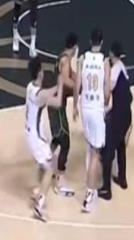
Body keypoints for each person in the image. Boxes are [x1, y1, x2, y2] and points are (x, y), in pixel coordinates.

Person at [74, 28, 110, 213]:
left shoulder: (82, 59)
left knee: (89, 146)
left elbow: (77, 84)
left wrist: (74, 106)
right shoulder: (105, 61)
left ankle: (91, 185)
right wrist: (106, 103)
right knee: (96, 152)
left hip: (84, 106)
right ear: (101, 42)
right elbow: (107, 89)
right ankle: (89, 194)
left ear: (90, 41)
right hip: (96, 109)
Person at [25, 56, 64, 222]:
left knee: (42, 164)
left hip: (30, 133)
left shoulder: (30, 87)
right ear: (40, 72)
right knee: (50, 167)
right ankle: (39, 204)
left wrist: (56, 86)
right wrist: (61, 84)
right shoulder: (40, 95)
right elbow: (57, 102)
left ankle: (37, 190)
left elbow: (46, 93)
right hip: (36, 137)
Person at [99, 41, 133, 201]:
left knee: (107, 152)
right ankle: (122, 178)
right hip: (127, 114)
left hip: (119, 115)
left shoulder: (115, 70)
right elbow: (129, 96)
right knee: (121, 146)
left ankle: (106, 189)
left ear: (112, 53)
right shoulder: (123, 68)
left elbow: (108, 89)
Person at [49, 33, 78, 197]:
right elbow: (66, 80)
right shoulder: (66, 60)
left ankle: (47, 164)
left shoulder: (61, 57)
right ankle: (59, 179)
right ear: (74, 47)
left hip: (55, 103)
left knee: (57, 138)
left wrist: (80, 80)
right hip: (57, 106)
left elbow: (71, 75)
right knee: (65, 141)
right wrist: (77, 87)